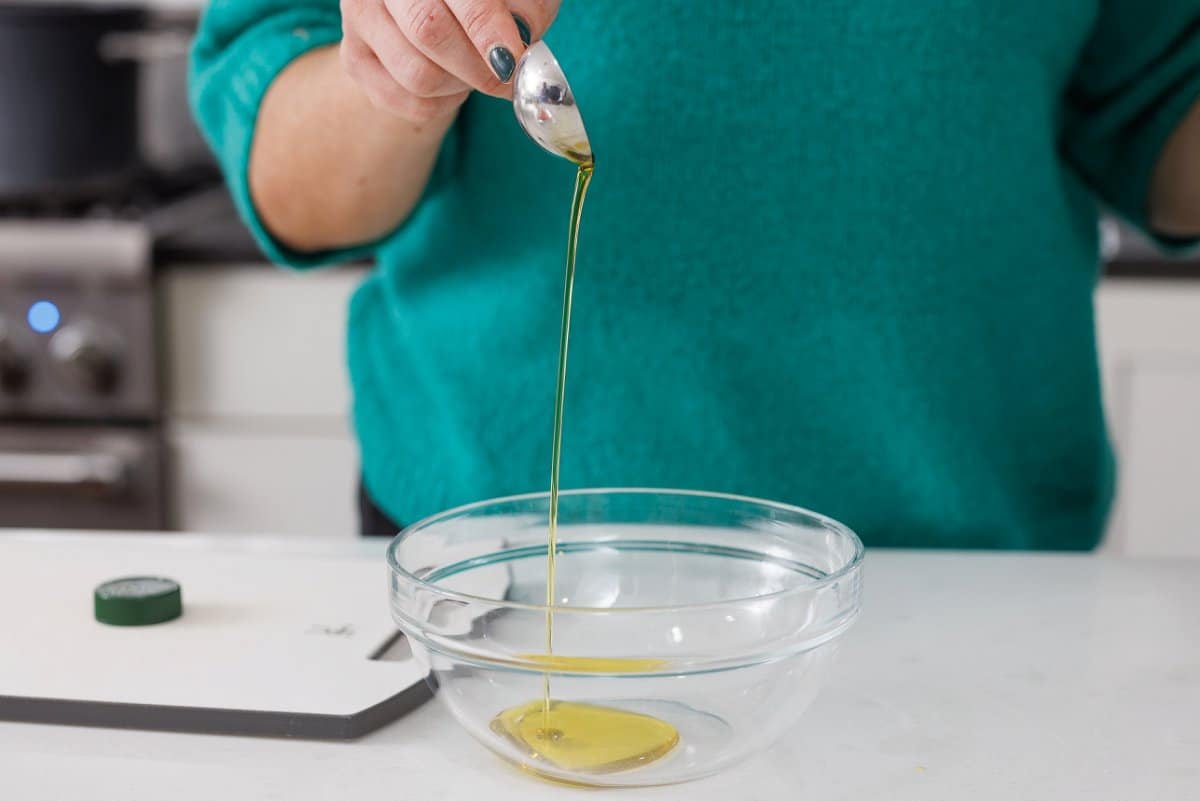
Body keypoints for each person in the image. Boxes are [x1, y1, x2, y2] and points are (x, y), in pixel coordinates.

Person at [190, 0, 1200, 546]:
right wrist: (400, 69)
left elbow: (1160, 105)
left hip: (975, 564)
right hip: (503, 563)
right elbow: (286, 163)